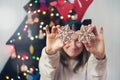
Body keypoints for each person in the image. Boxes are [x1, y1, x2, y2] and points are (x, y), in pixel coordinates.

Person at [39, 24, 107, 80]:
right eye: (69, 40)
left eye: (78, 40)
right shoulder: (54, 61)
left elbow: (97, 76)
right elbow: (46, 75)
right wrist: (50, 54)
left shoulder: (90, 62)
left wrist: (99, 58)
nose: (73, 46)